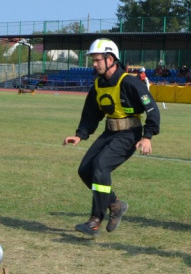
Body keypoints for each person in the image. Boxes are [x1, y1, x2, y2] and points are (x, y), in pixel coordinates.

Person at [63, 38, 160, 236]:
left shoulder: (130, 82)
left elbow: (153, 110)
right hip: (110, 133)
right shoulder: (98, 85)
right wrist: (80, 135)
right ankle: (115, 205)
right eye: (93, 60)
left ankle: (95, 220)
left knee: (100, 166)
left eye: (98, 59)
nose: (95, 64)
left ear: (111, 59)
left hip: (129, 134)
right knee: (85, 170)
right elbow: (91, 113)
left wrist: (147, 136)